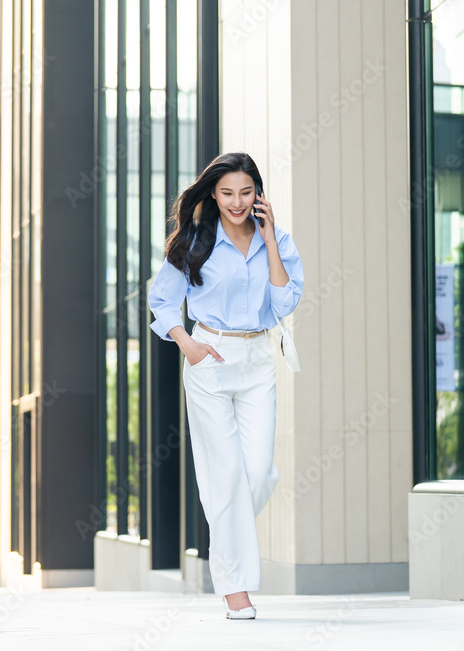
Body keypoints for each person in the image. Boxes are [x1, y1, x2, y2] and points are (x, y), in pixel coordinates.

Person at [146, 151, 304, 620]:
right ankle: (236, 592)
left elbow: (284, 301)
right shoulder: (195, 241)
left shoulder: (276, 240)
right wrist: (186, 344)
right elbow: (162, 300)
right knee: (229, 476)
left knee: (257, 473)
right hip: (210, 359)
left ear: (259, 194)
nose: (237, 202)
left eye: (246, 192)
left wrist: (271, 239)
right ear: (213, 195)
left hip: (258, 359)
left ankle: (224, 533)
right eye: (227, 193)